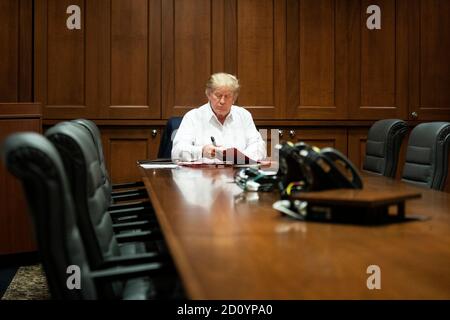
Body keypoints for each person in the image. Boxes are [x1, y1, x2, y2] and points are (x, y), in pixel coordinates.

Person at [171, 73, 267, 162]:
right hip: (202, 177)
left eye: (227, 96)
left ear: (234, 98)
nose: (222, 101)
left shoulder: (243, 116)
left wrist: (239, 157)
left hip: (236, 175)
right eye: (218, 95)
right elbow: (177, 152)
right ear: (208, 94)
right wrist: (202, 151)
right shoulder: (193, 117)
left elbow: (259, 148)